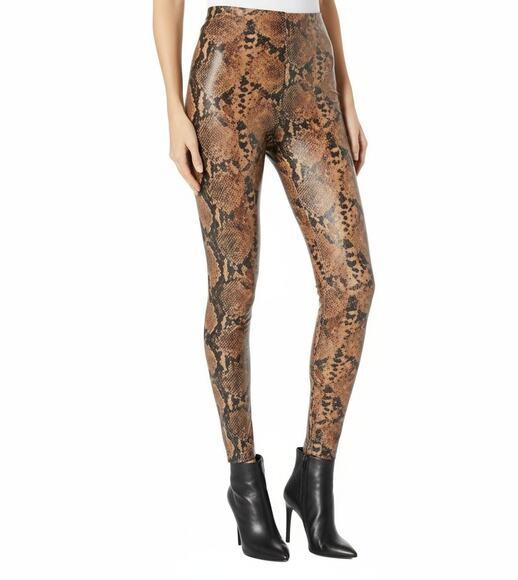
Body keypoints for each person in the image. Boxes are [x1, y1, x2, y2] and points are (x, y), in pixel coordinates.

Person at [153, 0, 375, 561]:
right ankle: (245, 487)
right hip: (228, 74)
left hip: (312, 73)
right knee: (234, 290)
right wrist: (174, 108)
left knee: (352, 283)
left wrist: (346, 91)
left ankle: (314, 487)